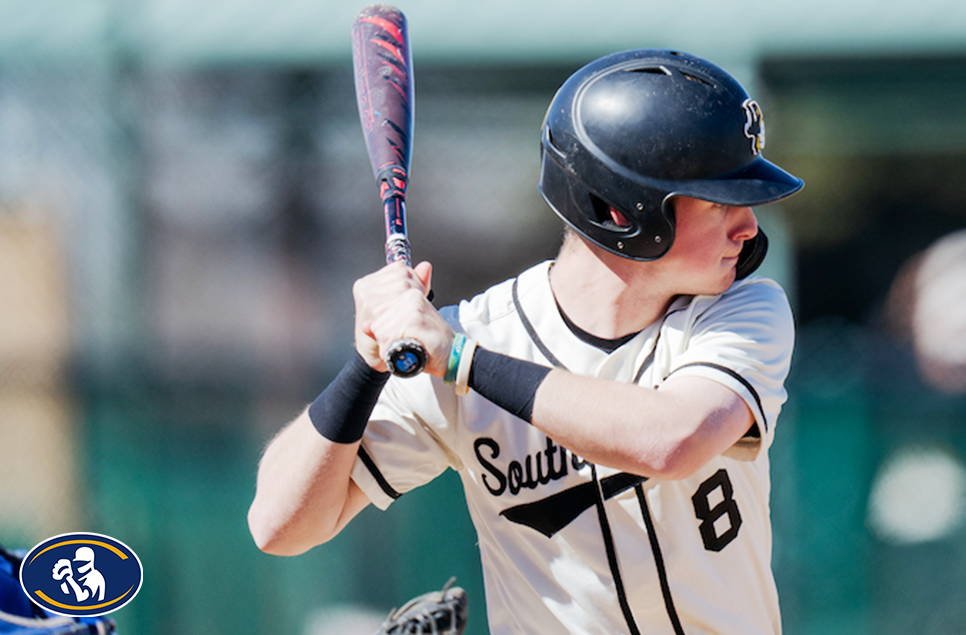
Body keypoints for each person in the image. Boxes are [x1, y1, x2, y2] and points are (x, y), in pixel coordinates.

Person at [248, 48, 804, 634]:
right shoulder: (476, 336)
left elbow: (669, 441)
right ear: (619, 211)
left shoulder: (741, 311)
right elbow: (280, 526)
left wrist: (461, 361)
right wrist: (365, 363)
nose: (748, 226)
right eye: (721, 203)